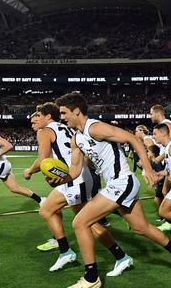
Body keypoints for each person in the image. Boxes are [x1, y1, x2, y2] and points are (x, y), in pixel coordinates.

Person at [50, 93, 171, 288]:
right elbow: (74, 171)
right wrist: (59, 179)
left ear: (76, 111)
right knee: (141, 228)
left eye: (64, 113)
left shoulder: (95, 128)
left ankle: (91, 278)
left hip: (122, 182)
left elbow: (133, 139)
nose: (61, 117)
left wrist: (149, 169)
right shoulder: (76, 139)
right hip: (118, 185)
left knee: (80, 223)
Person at [23, 103, 134, 275]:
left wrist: (29, 171)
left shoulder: (44, 131)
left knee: (87, 223)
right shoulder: (65, 128)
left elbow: (43, 160)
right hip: (76, 177)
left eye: (38, 116)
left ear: (48, 117)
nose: (35, 120)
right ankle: (66, 251)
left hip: (75, 179)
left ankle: (120, 257)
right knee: (46, 210)